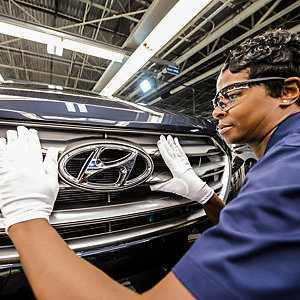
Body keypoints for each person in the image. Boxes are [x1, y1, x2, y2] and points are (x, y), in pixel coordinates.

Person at [0, 28, 300, 299]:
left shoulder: (289, 167)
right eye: (216, 101)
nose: (218, 112)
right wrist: (206, 196)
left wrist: (25, 217)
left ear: (288, 92)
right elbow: (257, 244)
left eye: (229, 96)